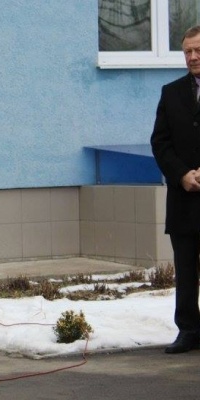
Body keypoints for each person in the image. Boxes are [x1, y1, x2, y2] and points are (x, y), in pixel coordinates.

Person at [151, 25, 200, 354]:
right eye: (187, 52)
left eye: (198, 50)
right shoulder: (170, 93)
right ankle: (188, 330)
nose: (193, 57)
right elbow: (160, 142)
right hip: (183, 199)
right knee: (185, 268)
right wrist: (182, 175)